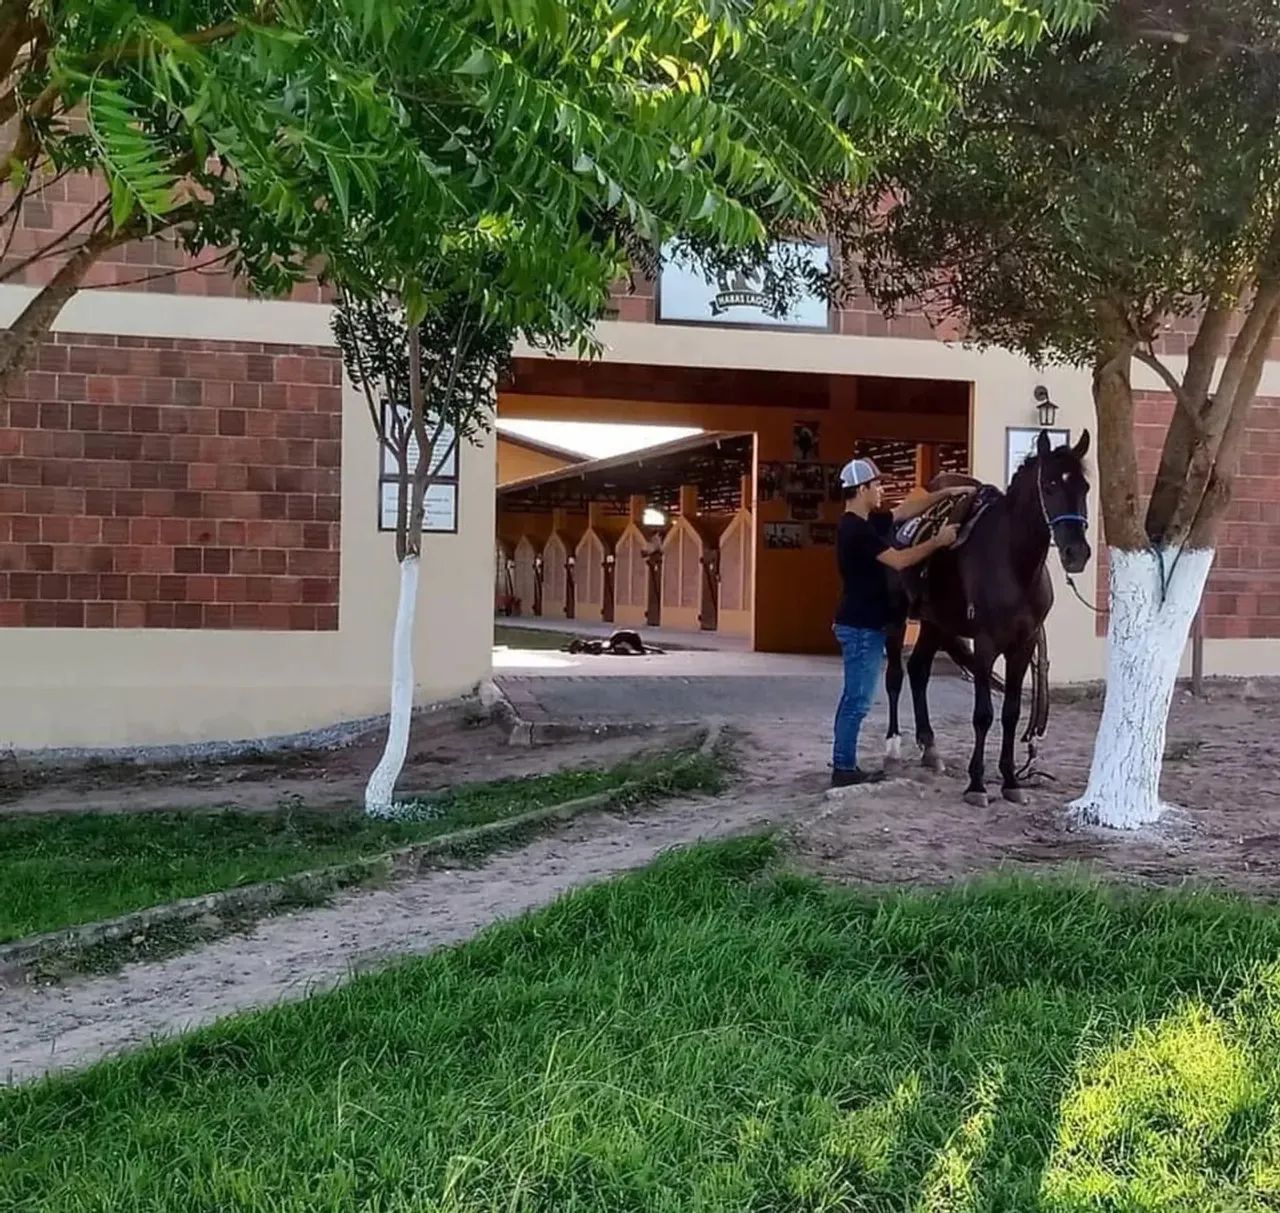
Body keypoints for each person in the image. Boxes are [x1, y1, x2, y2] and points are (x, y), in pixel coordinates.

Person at [831, 457, 963, 788]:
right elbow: (901, 560)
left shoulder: (865, 522)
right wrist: (938, 541)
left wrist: (946, 493)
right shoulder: (857, 531)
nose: (881, 489)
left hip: (862, 624)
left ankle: (844, 764)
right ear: (862, 489)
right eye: (876, 485)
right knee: (857, 701)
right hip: (861, 626)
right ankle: (843, 768)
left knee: (854, 699)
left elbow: (904, 510)